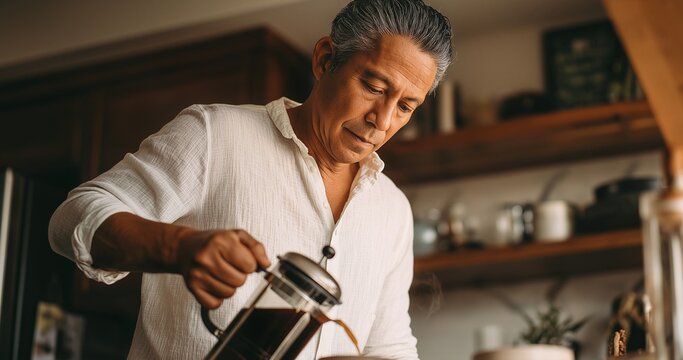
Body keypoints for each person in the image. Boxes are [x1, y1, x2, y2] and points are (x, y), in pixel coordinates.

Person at [48, 0, 453, 358]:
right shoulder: (215, 133)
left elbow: (388, 345)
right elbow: (71, 218)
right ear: (326, 59)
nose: (381, 121)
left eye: (405, 107)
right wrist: (178, 246)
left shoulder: (392, 208)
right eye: (373, 86)